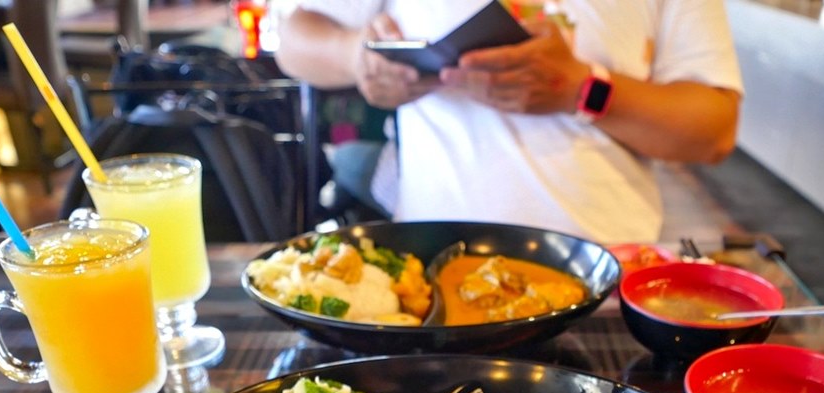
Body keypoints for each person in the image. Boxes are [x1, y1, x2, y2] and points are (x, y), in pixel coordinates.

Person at [275, 1, 742, 244]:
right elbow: (293, 41)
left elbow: (714, 132)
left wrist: (582, 89)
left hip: (609, 277)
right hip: (431, 267)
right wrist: (358, 55)